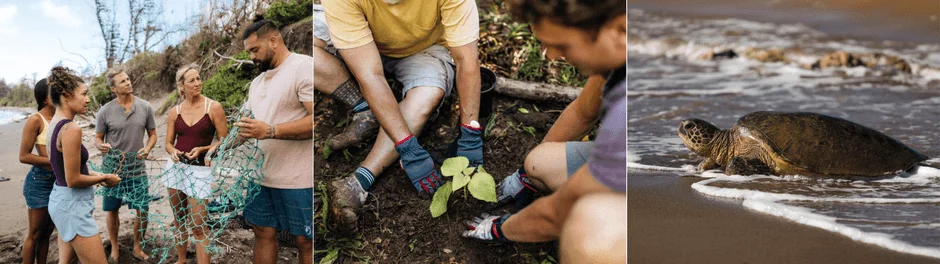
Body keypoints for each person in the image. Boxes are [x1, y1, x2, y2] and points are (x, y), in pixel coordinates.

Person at [461, 0, 627, 263]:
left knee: (591, 238)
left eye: (562, 46)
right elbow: (582, 112)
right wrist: (526, 176)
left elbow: (558, 213)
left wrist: (501, 227)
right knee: (541, 163)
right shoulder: (625, 49)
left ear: (618, 29)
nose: (551, 55)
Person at [315, 0, 484, 233]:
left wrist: (470, 131)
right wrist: (407, 147)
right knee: (304, 52)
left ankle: (360, 179)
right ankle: (365, 109)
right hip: (361, 45)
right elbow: (370, 75)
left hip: (423, 49)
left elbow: (466, 58)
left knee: (427, 94)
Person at [235, 19, 313, 264]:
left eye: (254, 50)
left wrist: (270, 131)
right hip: (260, 176)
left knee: (305, 241)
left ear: (274, 41)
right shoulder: (256, 83)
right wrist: (216, 148)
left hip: (298, 179)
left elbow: (316, 121)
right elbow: (247, 127)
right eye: (248, 52)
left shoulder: (304, 67)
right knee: (262, 232)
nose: (251, 57)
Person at [46, 66, 123, 264]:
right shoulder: (71, 128)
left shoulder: (54, 122)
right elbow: (73, 179)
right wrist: (104, 178)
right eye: (84, 94)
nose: (88, 99)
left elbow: (63, 170)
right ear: (66, 95)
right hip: (72, 206)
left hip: (60, 199)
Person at [163, 64, 228, 264]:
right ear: (181, 86)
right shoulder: (175, 111)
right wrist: (173, 151)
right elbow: (167, 143)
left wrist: (203, 149)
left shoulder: (213, 107)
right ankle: (181, 260)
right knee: (179, 219)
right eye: (192, 80)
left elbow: (225, 140)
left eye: (199, 78)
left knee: (200, 226)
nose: (198, 83)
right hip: (175, 170)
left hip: (200, 171)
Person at [94, 68, 157, 261]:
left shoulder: (145, 107)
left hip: (137, 169)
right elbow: (97, 138)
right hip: (112, 170)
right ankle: (114, 247)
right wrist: (101, 146)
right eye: (122, 81)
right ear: (113, 89)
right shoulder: (105, 111)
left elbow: (153, 135)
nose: (128, 83)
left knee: (143, 208)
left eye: (128, 79)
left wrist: (147, 149)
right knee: (112, 210)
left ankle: (138, 247)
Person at [18, 78, 66, 264]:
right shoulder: (35, 120)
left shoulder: (61, 119)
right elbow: (24, 156)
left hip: (59, 181)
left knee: (47, 232)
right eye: (55, 92)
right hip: (39, 182)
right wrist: (54, 162)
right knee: (35, 233)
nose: (60, 95)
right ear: (45, 99)